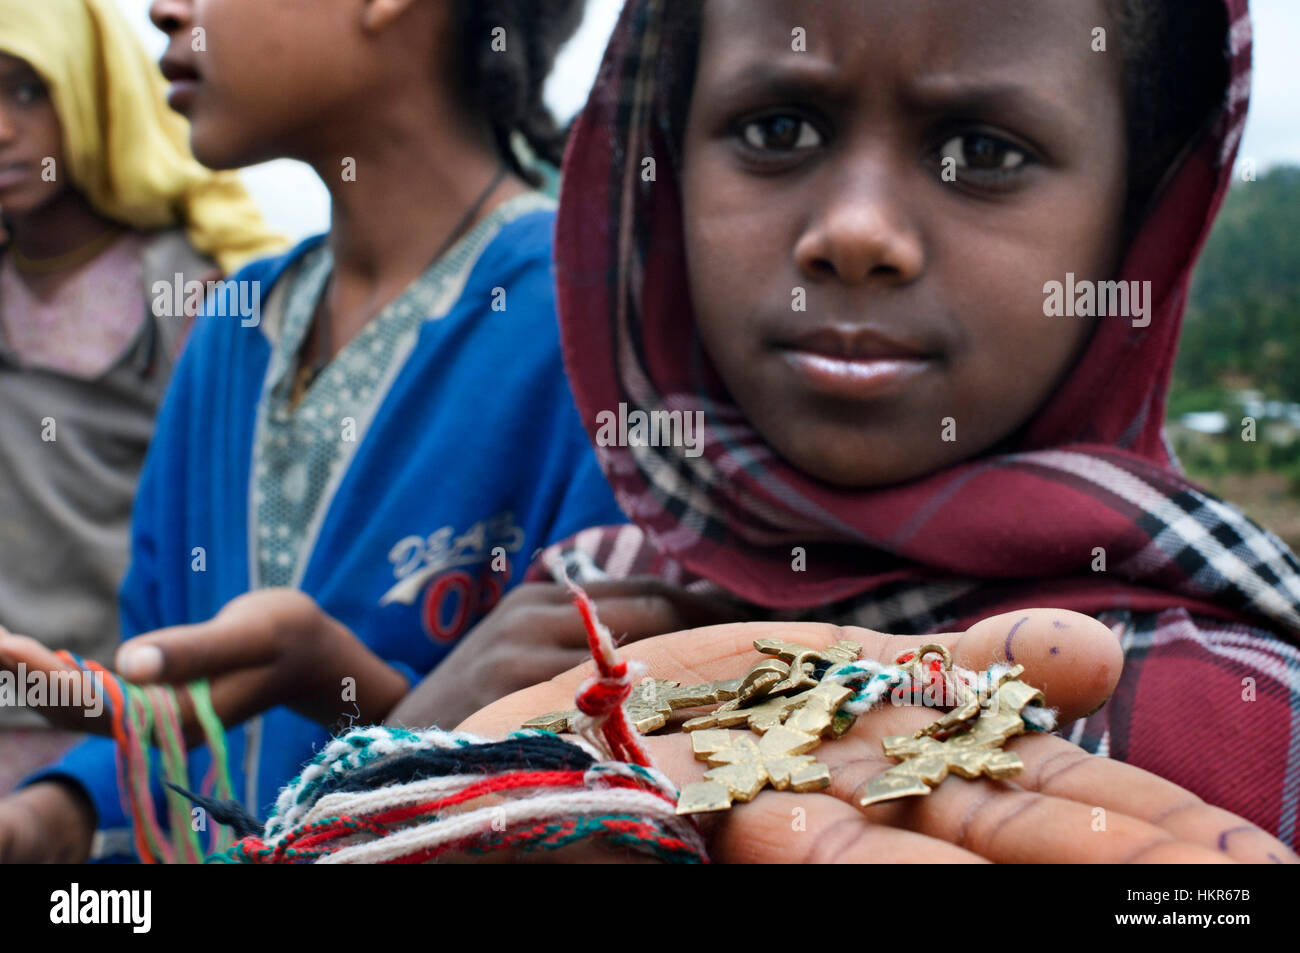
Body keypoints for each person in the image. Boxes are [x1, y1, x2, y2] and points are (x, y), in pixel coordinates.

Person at [502, 0, 1298, 855]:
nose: (856, 232)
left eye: (981, 152)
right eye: (777, 130)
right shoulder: (575, 633)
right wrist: (410, 786)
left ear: (1136, 216)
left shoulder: (1252, 724)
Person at [0, 0, 630, 863]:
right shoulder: (229, 328)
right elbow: (170, 714)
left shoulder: (593, 332)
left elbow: (602, 774)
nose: (163, 11)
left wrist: (342, 681)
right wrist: (51, 816)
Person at [0, 0, 283, 793]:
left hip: (126, 722)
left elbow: (239, 524)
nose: (1, 127)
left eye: (27, 91)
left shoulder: (186, 287)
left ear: (94, 92)